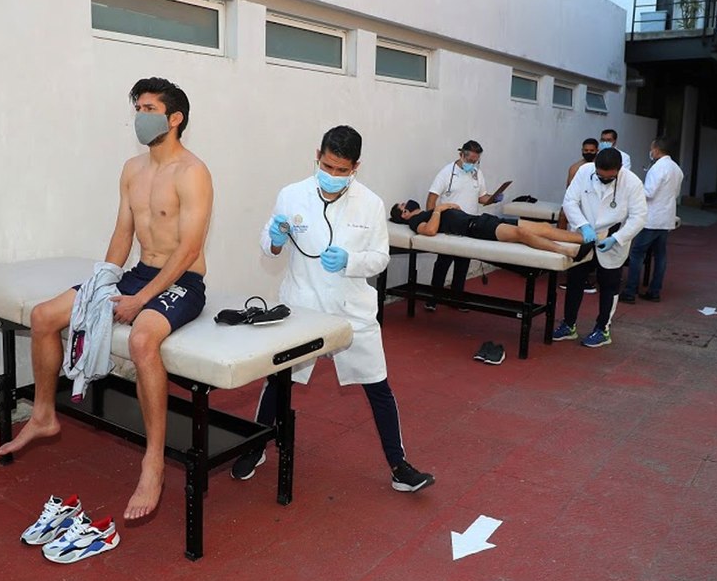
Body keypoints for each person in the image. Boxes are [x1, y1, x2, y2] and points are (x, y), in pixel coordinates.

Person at [0, 77, 214, 521]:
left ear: (175, 119)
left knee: (142, 341)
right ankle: (43, 415)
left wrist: (141, 300)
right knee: (44, 316)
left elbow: (189, 250)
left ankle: (153, 461)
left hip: (182, 281)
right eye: (138, 108)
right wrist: (103, 282)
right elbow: (122, 234)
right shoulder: (132, 170)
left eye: (149, 109)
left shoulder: (193, 172)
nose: (140, 116)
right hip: (138, 274)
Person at [231, 126, 435, 493]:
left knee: (378, 385)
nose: (333, 175)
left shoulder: (370, 203)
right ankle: (255, 447)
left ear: (356, 167)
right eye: (327, 166)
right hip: (303, 306)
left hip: (350, 310)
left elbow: (380, 258)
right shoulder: (292, 195)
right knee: (279, 381)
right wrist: (275, 241)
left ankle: (399, 466)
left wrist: (350, 261)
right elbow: (268, 247)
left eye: (342, 170)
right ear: (317, 156)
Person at [552, 147, 647, 347]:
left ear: (619, 170)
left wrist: (617, 238)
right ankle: (568, 325)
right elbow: (570, 201)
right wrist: (582, 225)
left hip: (612, 239)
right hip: (583, 235)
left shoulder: (632, 183)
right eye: (600, 176)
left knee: (609, 286)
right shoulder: (585, 171)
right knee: (575, 281)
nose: (604, 180)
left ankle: (603, 329)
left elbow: (639, 217)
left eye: (609, 178)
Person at [424, 140, 510, 311]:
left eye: (476, 161)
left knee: (463, 262)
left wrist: (494, 198)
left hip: (470, 224)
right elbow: (432, 198)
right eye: (470, 160)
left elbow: (482, 197)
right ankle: (432, 299)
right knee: (443, 262)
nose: (473, 164)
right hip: (450, 226)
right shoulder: (447, 172)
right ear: (461, 155)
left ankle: (457, 299)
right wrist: (432, 220)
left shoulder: (477, 173)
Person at [390, 201, 594, 262]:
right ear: (404, 214)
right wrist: (439, 209)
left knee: (543, 227)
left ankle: (585, 238)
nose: (406, 202)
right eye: (403, 205)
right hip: (476, 228)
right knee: (522, 234)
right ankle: (568, 251)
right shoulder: (415, 221)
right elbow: (430, 231)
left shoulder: (424, 213)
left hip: (482, 220)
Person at [619, 139, 684, 303]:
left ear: (656, 150)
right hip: (666, 218)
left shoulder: (657, 168)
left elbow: (649, 192)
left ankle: (630, 291)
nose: (651, 151)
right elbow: (676, 193)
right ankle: (655, 290)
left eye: (651, 148)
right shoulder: (676, 169)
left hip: (651, 218)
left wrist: (635, 187)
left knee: (637, 254)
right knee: (660, 255)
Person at [558, 138, 600, 294]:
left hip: (595, 210)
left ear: (597, 150)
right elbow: (569, 193)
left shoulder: (600, 167)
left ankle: (588, 275)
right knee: (564, 218)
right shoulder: (575, 168)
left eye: (591, 150)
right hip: (578, 208)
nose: (588, 153)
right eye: (586, 150)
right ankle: (561, 254)